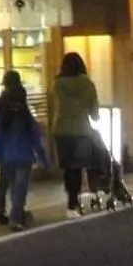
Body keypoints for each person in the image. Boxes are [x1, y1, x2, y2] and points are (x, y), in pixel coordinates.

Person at [0, 71, 50, 231]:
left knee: (7, 183)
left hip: (6, 157)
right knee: (19, 188)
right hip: (24, 157)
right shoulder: (25, 116)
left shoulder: (3, 115)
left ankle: (5, 210)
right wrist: (44, 159)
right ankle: (16, 216)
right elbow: (35, 139)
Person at [52, 51, 102, 216]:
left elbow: (55, 106)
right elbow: (94, 112)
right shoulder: (87, 84)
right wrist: (94, 116)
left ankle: (71, 203)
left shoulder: (57, 84)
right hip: (81, 130)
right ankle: (74, 204)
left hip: (61, 130)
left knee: (68, 168)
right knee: (78, 167)